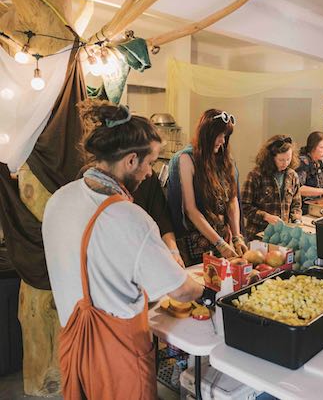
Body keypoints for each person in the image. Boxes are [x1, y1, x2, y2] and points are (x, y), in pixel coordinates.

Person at [42, 100, 205, 399]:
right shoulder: (130, 218)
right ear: (131, 160)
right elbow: (182, 292)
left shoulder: (58, 199)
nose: (150, 172)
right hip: (118, 357)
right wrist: (202, 285)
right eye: (150, 162)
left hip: (74, 344)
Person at [167, 109, 247, 266]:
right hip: (196, 243)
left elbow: (232, 199)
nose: (222, 141)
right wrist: (218, 242)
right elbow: (190, 209)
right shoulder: (186, 159)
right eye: (219, 135)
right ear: (206, 134)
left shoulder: (225, 159)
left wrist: (237, 236)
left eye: (225, 136)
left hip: (223, 238)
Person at [242, 135, 303, 240]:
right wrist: (265, 216)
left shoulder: (292, 175)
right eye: (281, 160)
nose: (285, 163)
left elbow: (296, 205)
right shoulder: (256, 175)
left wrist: (296, 220)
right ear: (271, 158)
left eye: (288, 159)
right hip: (258, 234)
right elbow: (244, 206)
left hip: (281, 236)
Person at [296, 131, 323, 212]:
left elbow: (318, 187)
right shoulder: (303, 162)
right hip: (302, 209)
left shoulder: (319, 162)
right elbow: (298, 188)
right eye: (322, 147)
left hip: (316, 206)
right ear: (312, 148)